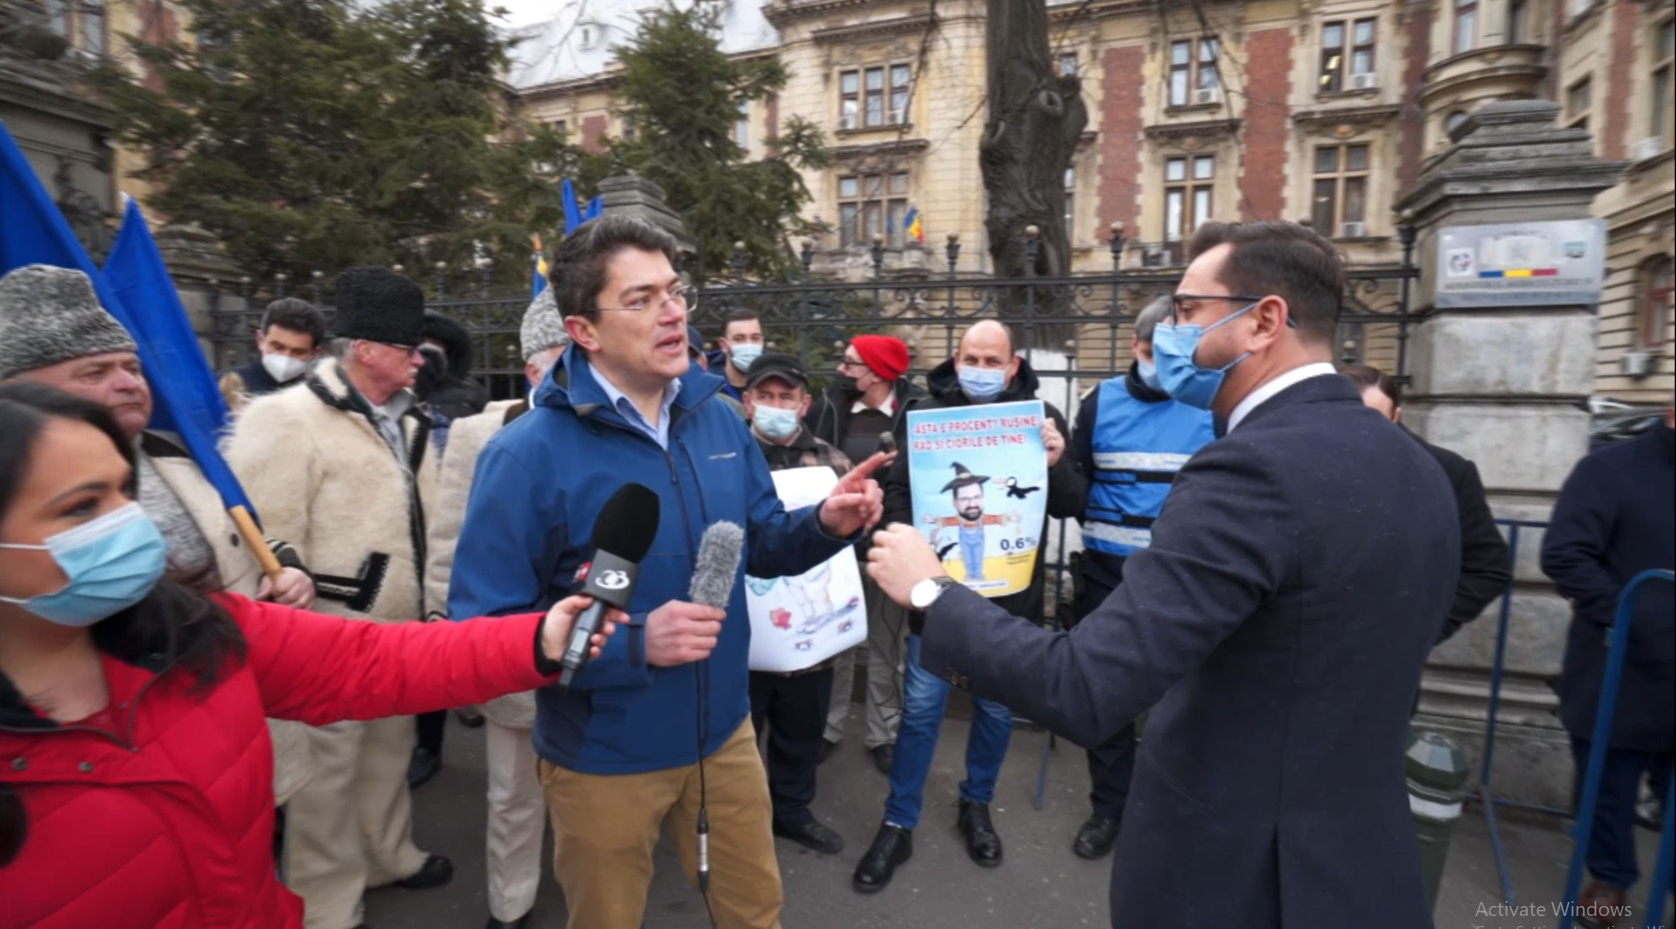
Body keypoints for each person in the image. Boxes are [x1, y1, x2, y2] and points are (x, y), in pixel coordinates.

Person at [866, 220, 1461, 929]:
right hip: (1365, 869)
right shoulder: (1419, 465)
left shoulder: (1252, 469)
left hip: (1242, 879)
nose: (1171, 333)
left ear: (1264, 320)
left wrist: (930, 588)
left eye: (1186, 310)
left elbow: (1085, 685)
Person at [0, 382, 620, 929]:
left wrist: (537, 639)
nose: (127, 523)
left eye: (124, 491)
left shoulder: (195, 629)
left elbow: (371, 662)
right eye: (82, 508)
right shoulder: (292, 420)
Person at [447, 216, 888, 929]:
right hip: (602, 755)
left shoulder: (717, 419)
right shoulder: (525, 454)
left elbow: (762, 543)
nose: (675, 310)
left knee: (755, 913)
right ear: (583, 329)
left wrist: (823, 525)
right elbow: (485, 634)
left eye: (675, 290)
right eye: (643, 297)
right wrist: (631, 646)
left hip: (725, 734)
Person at [0, 264, 319, 808]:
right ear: (20, 390)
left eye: (132, 366)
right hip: (104, 778)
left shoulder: (179, 454)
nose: (128, 383)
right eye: (95, 371)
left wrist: (287, 567)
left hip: (235, 722)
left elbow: (246, 535)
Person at [225, 268, 449, 929]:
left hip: (399, 633)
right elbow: (259, 528)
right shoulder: (284, 417)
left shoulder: (407, 422)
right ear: (368, 349)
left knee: (388, 750)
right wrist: (288, 579)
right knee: (326, 774)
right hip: (325, 637)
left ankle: (387, 854)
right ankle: (324, 899)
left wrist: (433, 601)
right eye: (409, 347)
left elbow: (427, 521)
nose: (420, 360)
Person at [852, 319, 1085, 893]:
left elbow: (1071, 504)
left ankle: (975, 806)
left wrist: (1056, 463)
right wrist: (914, 538)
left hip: (1011, 607)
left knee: (998, 713)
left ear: (1011, 366)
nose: (980, 369)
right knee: (923, 710)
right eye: (971, 358)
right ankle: (897, 821)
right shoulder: (922, 414)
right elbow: (901, 492)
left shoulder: (1040, 418)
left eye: (992, 361)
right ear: (956, 360)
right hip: (936, 599)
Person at [424, 287, 569, 929]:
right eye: (571, 354)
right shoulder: (481, 431)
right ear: (536, 366)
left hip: (600, 645)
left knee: (592, 788)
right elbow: (448, 541)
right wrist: (446, 637)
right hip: (511, 644)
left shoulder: (617, 421)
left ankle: (592, 889)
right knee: (513, 791)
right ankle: (511, 905)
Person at [1065, 295, 1216, 861]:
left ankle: (1176, 811)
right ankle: (1109, 809)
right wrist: (1056, 466)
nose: (1165, 364)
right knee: (1107, 698)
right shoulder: (1099, 402)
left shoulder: (1213, 405)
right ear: (1135, 346)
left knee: (1188, 703)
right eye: (1154, 352)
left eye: (1175, 354)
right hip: (1107, 577)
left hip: (1186, 582)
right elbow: (1075, 493)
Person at [1541, 400, 1674, 928]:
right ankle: (1610, 876)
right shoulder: (1610, 469)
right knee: (1608, 786)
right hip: (1622, 664)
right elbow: (1566, 553)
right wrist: (1633, 613)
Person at [741, 352, 853, 856]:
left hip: (811, 630)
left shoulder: (833, 465)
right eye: (766, 396)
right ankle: (737, 821)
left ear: (804, 404)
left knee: (801, 731)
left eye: (786, 397)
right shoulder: (727, 459)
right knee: (739, 734)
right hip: (744, 633)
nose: (776, 405)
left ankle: (791, 811)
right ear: (747, 402)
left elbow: (851, 539)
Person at [806, 334, 924, 773]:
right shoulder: (829, 407)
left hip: (890, 547)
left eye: (850, 363)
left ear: (877, 372)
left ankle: (883, 732)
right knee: (834, 640)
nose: (842, 370)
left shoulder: (915, 412)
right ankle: (828, 727)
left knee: (886, 644)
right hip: (836, 550)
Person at [1340, 363, 1511, 646]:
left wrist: (1419, 630)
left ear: (1395, 417)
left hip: (1384, 661)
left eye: (1371, 420)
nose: (1355, 433)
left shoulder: (1446, 471)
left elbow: (1488, 568)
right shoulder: (1289, 461)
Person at [408, 309, 493, 789]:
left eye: (435, 345)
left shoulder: (470, 397)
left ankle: (467, 697)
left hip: (456, 526)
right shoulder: (401, 398)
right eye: (419, 344)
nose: (427, 353)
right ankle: (427, 743)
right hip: (412, 530)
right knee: (424, 639)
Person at [223, 297, 329, 402]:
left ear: (314, 354)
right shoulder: (220, 387)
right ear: (260, 340)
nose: (286, 357)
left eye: (298, 352)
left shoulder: (320, 398)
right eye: (278, 347)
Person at [715, 308, 764, 405]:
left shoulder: (775, 384)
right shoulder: (710, 388)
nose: (749, 345)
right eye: (739, 339)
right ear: (724, 345)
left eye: (755, 338)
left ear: (762, 341)